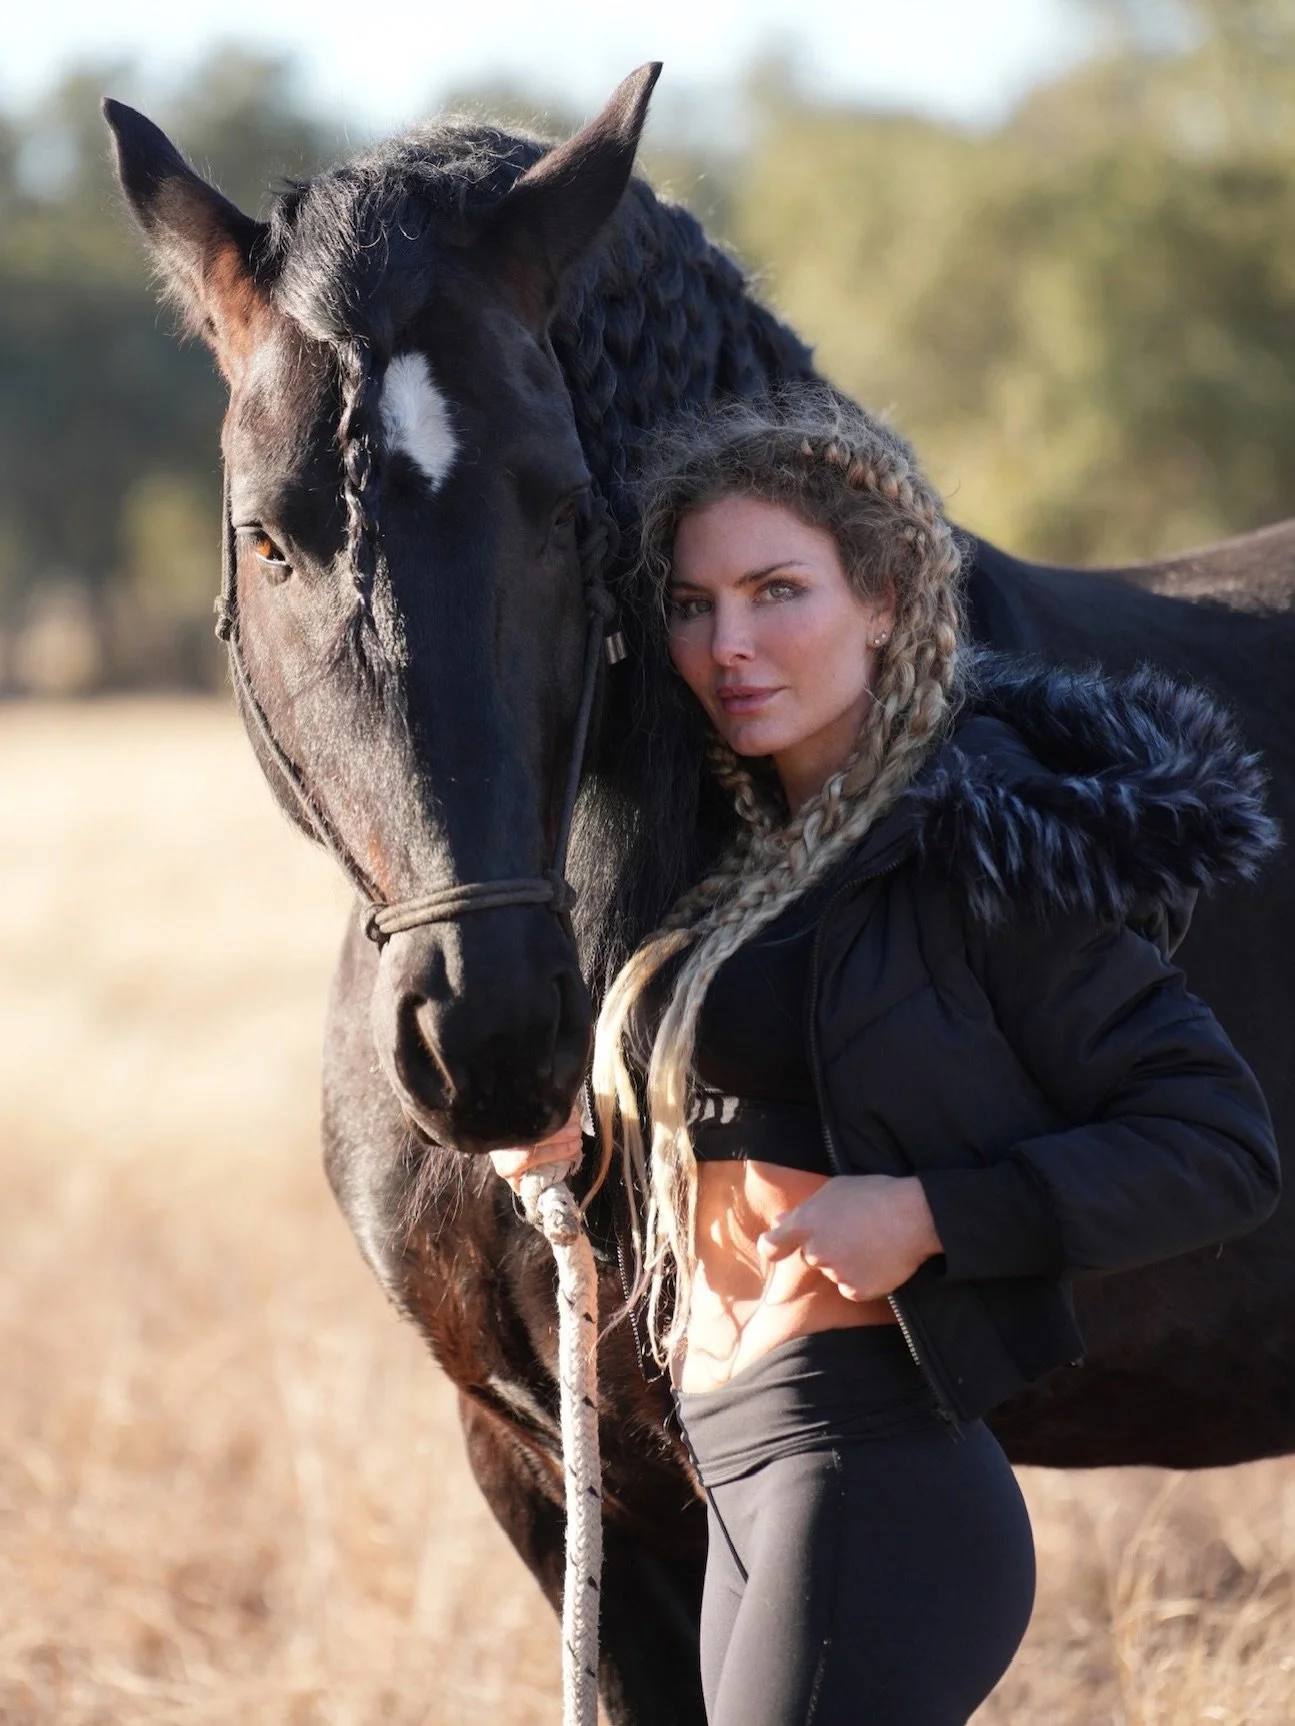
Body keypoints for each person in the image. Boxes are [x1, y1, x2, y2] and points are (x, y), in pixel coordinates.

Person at [492, 385, 1281, 1725]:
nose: (729, 643)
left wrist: (927, 1215)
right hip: (737, 1467)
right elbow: (786, 1118)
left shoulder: (973, 847)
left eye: (776, 591)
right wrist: (587, 1148)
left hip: (869, 1470)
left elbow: (1219, 1147)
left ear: (886, 600)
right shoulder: (747, 868)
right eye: (692, 604)